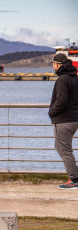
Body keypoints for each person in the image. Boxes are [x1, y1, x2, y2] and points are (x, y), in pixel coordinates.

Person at [49, 53, 78, 189]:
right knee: (63, 148)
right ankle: (75, 176)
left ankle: (74, 179)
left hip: (63, 120)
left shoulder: (62, 80)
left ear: (56, 65)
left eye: (53, 64)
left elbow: (62, 100)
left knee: (64, 150)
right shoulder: (74, 77)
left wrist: (51, 112)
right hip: (74, 120)